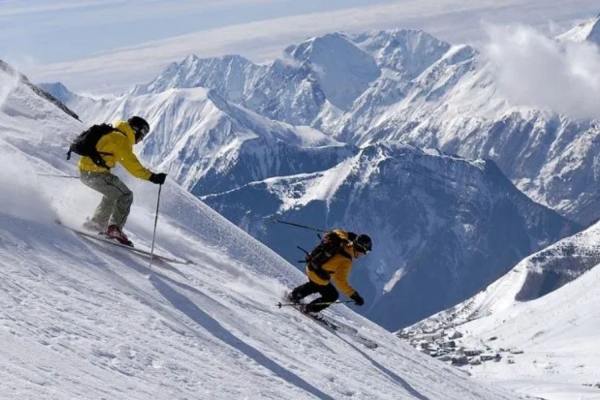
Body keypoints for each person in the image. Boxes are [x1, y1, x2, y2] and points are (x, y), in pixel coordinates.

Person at [78, 116, 166, 246]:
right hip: (96, 174)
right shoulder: (121, 140)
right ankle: (114, 229)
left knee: (113, 193)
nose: (141, 140)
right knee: (126, 195)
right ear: (136, 131)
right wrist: (152, 177)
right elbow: (133, 166)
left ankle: (97, 224)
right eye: (142, 135)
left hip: (86, 172)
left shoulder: (112, 132)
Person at [288, 229, 372, 314]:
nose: (363, 255)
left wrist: (349, 235)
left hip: (311, 265)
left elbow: (337, 231)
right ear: (359, 249)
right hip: (318, 275)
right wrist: (354, 296)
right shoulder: (346, 261)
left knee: (316, 285)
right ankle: (308, 308)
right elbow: (340, 281)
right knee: (332, 295)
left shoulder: (343, 242)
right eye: (364, 252)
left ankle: (295, 295)